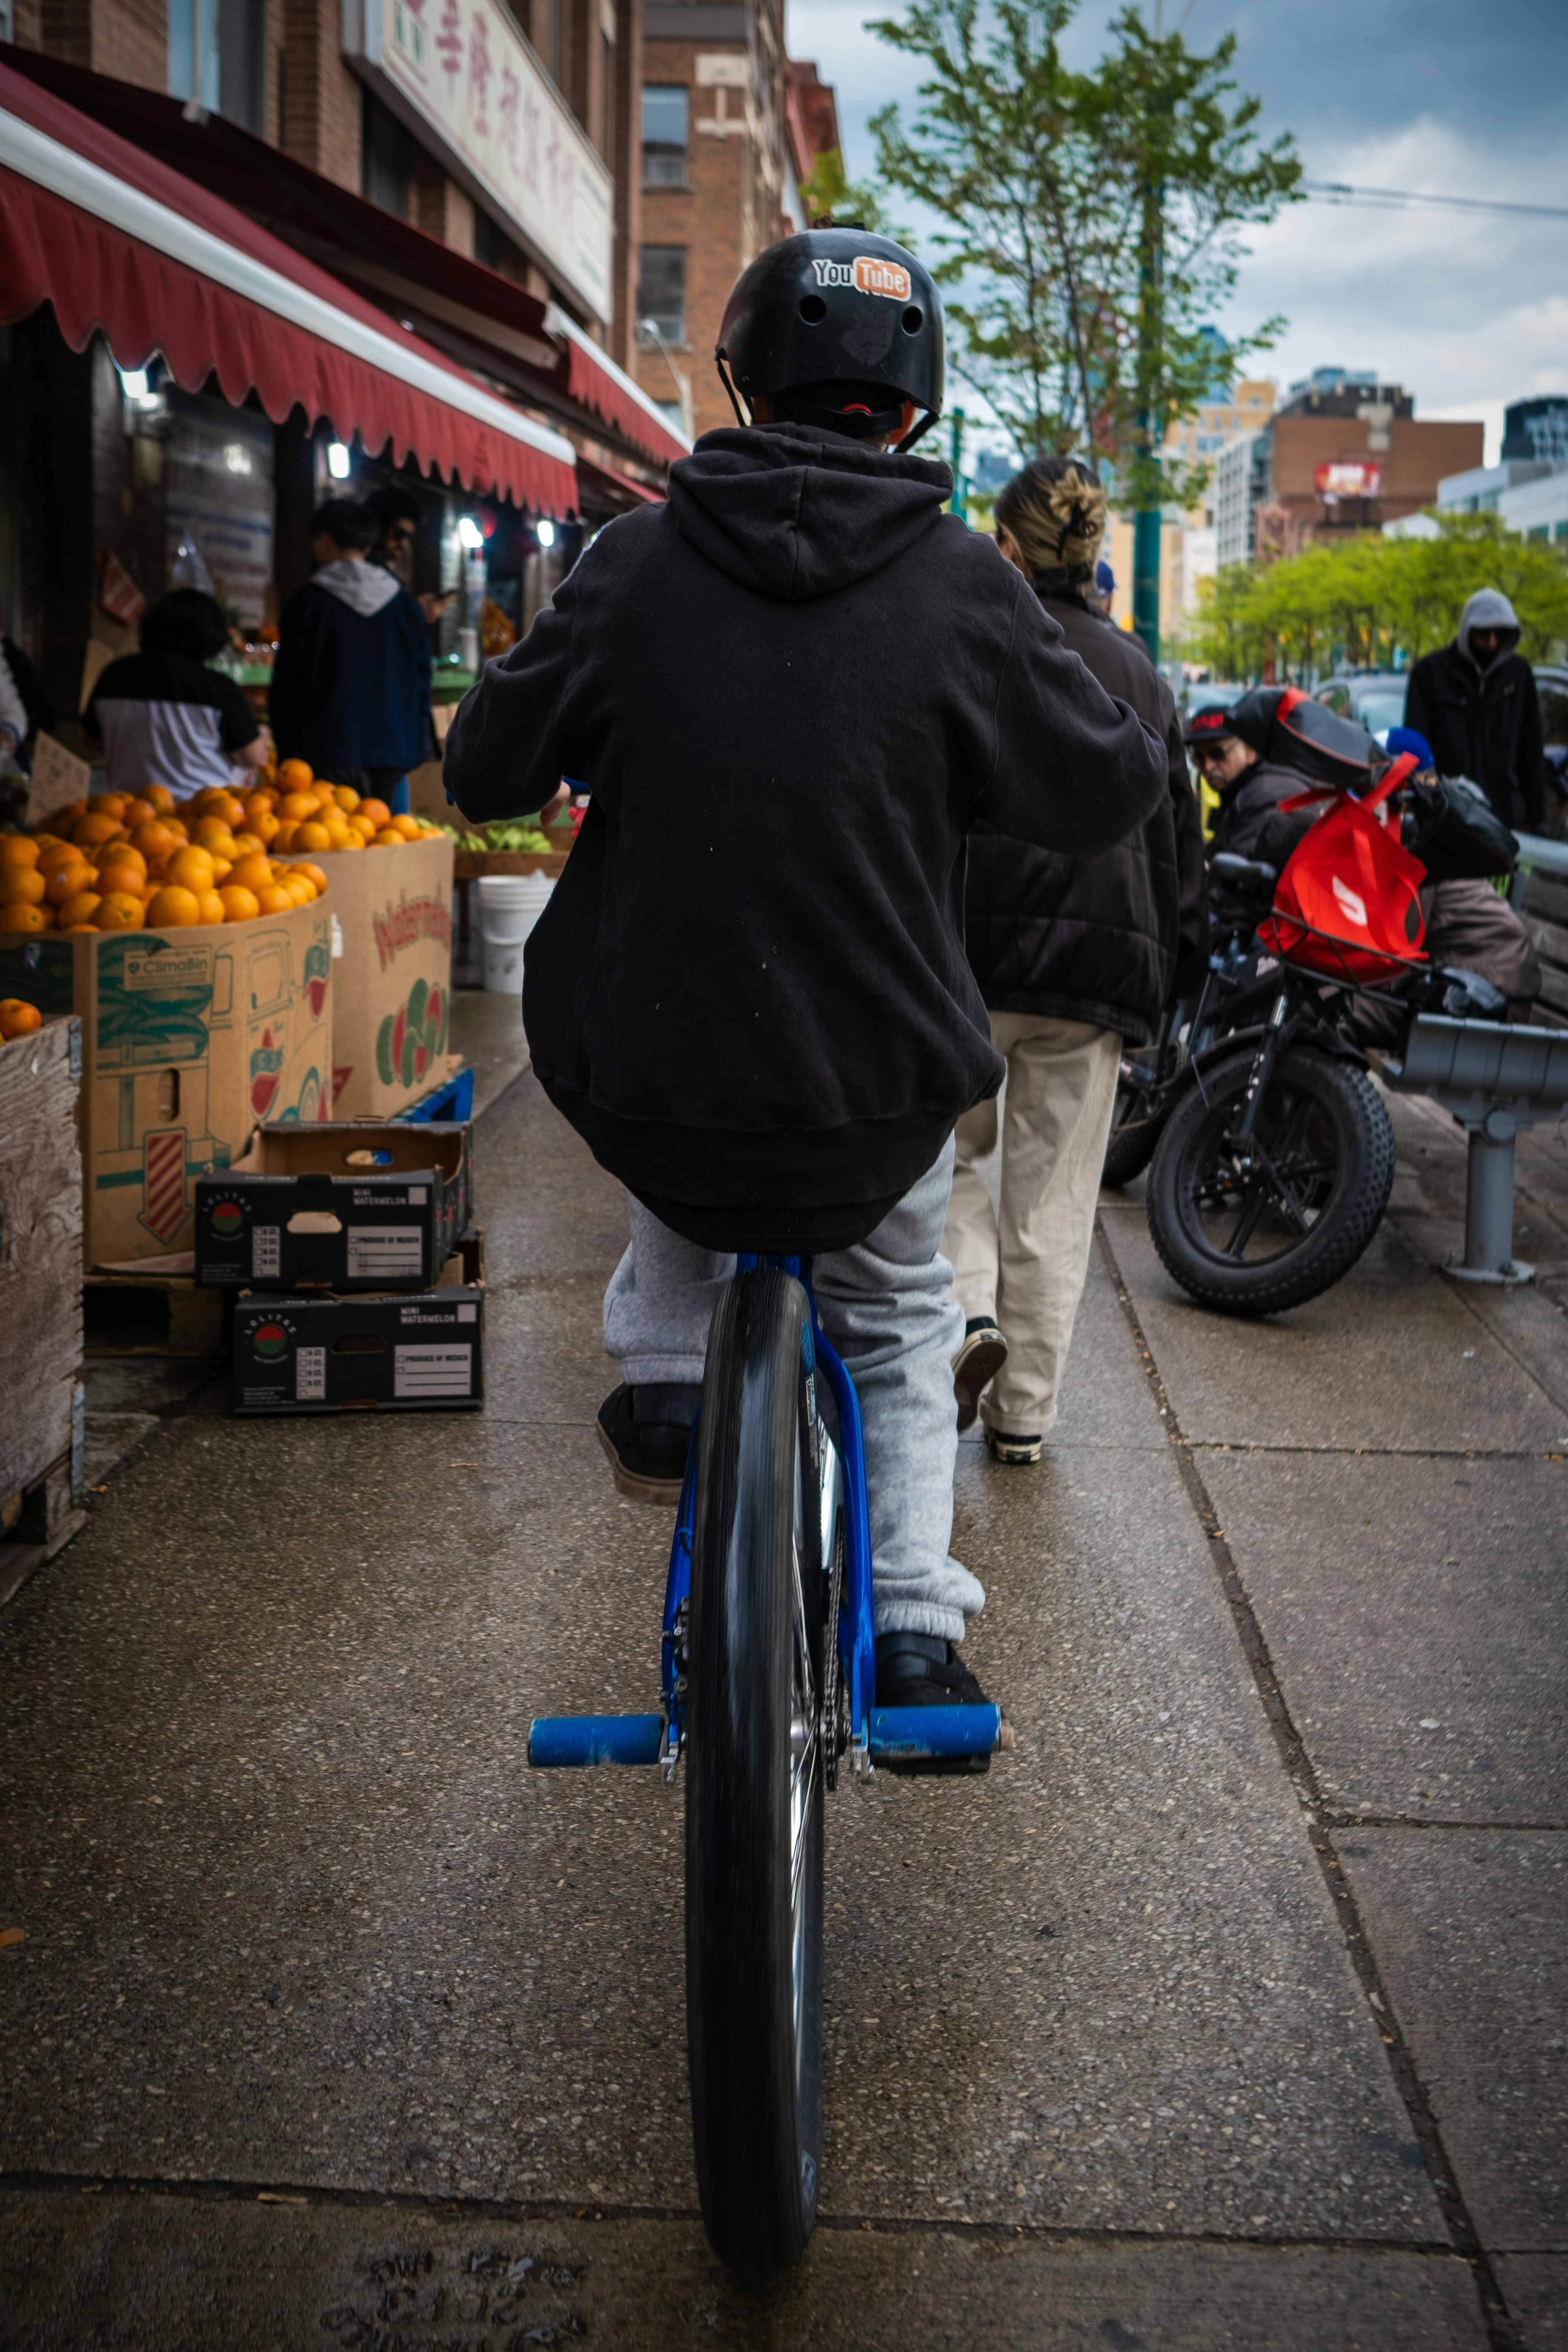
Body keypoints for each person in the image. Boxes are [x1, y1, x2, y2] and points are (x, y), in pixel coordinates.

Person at [444, 227, 1167, 1738]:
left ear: (741, 380)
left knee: (666, 1100)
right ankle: (908, 1628)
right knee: (901, 1316)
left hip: (652, 1066)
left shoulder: (631, 561)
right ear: (911, 412)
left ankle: (657, 1370)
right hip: (872, 1084)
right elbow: (1103, 790)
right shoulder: (967, 588)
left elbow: (484, 766)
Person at [942, 458, 1207, 1463]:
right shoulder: (1139, 670)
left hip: (967, 956)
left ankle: (967, 1320)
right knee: (1054, 1197)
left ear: (1005, 544)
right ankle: (1024, 1419)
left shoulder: (973, 643)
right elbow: (1176, 837)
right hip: (1099, 971)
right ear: (1095, 556)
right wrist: (1177, 973)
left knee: (951, 1162)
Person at [270, 497, 432, 805]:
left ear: (324, 543)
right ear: (368, 548)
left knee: (334, 845)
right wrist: (412, 747)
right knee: (389, 843)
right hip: (394, 750)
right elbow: (422, 682)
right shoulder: (406, 606)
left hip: (326, 751)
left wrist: (288, 754)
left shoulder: (307, 604)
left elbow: (288, 687)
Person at [82, 589, 266, 801]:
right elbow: (251, 757)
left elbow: (93, 741)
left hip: (128, 816)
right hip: (205, 816)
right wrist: (261, 737)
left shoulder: (113, 676)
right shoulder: (215, 687)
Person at [1405, 588, 1546, 834]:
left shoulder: (1519, 674)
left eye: (1499, 634)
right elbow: (1416, 750)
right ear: (1467, 632)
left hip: (1504, 816)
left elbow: (1531, 749)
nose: (1491, 642)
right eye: (1483, 634)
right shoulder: (1430, 674)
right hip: (1448, 816)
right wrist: (1426, 802)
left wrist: (1533, 817)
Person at [368, 485, 455, 634]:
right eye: (399, 534)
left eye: (409, 538)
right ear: (379, 526)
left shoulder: (384, 574)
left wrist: (414, 610)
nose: (404, 544)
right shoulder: (362, 575)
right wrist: (415, 614)